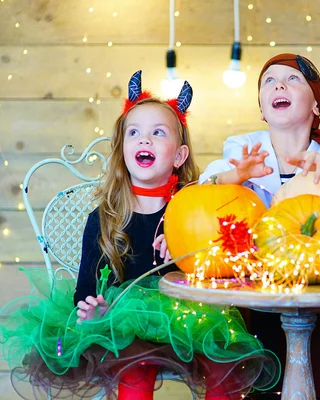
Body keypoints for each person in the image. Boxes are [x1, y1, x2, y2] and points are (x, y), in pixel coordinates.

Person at [0, 70, 278, 400]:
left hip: (191, 318)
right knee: (135, 366)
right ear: (123, 149)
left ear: (179, 156)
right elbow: (85, 290)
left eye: (158, 133)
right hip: (125, 322)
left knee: (222, 362)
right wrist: (92, 310)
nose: (144, 140)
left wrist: (237, 177)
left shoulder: (190, 209)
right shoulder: (105, 218)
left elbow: (214, 193)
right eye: (134, 132)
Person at [198, 54, 320, 400]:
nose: (279, 85)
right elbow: (204, 187)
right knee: (257, 375)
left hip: (313, 284)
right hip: (253, 287)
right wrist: (239, 174)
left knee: (318, 371)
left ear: (316, 106)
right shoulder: (244, 147)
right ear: (263, 110)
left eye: (293, 80)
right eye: (270, 81)